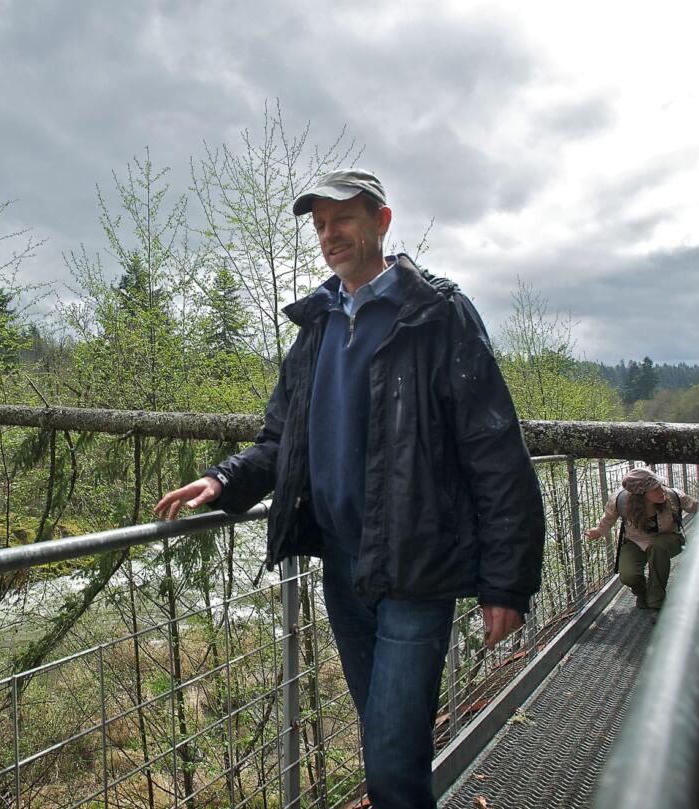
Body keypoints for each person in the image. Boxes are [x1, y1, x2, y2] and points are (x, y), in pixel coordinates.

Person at [155, 168, 545, 809]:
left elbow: (493, 447)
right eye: (320, 225)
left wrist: (507, 580)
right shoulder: (317, 328)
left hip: (418, 568)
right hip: (343, 567)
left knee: (391, 756)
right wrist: (222, 479)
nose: (330, 235)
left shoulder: (436, 314)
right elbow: (281, 440)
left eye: (343, 220)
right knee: (388, 739)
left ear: (381, 223)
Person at [586, 467, 699, 611]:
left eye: (660, 485)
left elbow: (697, 506)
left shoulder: (672, 495)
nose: (661, 490)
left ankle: (656, 602)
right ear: (641, 494)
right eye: (655, 489)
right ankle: (644, 592)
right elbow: (608, 518)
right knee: (628, 575)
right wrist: (599, 531)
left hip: (669, 539)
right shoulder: (620, 501)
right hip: (635, 541)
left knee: (657, 547)